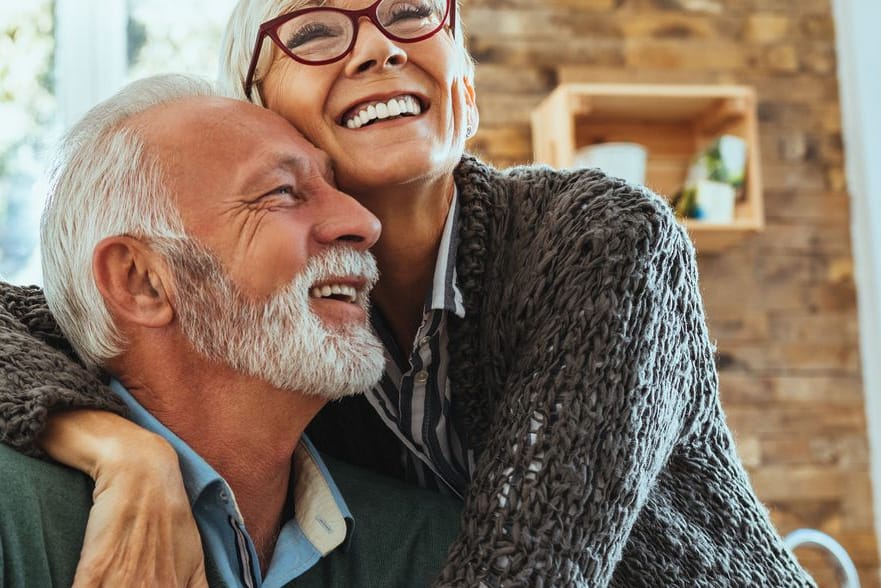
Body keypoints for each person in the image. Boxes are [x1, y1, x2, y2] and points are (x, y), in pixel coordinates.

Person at [0, 0, 815, 585]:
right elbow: (62, 317)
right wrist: (121, 449)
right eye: (314, 30)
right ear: (256, 109)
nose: (377, 49)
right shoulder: (284, 331)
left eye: (413, 14)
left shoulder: (600, 242)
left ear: (466, 87)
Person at [0, 73, 462, 588]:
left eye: (335, 187)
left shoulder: (437, 547)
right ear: (141, 281)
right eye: (283, 192)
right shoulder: (13, 518)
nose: (363, 222)